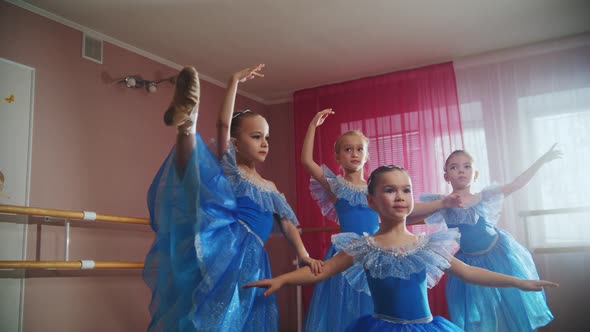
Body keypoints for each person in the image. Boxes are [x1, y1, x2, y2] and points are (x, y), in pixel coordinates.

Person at [245, 165, 558, 332]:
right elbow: (321, 271)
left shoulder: (428, 244)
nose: (400, 196)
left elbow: (471, 272)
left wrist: (520, 282)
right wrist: (283, 280)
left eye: (406, 189)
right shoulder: (363, 247)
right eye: (389, 190)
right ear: (371, 201)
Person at [143, 64, 323, 331]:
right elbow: (223, 124)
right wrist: (234, 81)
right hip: (225, 242)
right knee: (201, 174)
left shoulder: (270, 186)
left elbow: (287, 223)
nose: (265, 143)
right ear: (236, 142)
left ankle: (187, 127)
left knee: (244, 314)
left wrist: (304, 254)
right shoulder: (232, 170)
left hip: (254, 259)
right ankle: (187, 124)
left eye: (267, 138)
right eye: (256, 136)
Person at [301, 109, 464, 331]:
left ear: (367, 156)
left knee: (379, 309)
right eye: (348, 150)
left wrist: (444, 202)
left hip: (378, 253)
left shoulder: (377, 189)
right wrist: (312, 126)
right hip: (348, 252)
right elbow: (306, 162)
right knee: (344, 309)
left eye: (359, 149)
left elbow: (411, 208)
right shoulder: (336, 186)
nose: (354, 154)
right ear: (338, 157)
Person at [419, 146, 561, 331]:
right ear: (446, 176)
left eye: (467, 166)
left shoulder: (484, 196)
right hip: (469, 261)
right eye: (454, 167)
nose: (461, 170)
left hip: (497, 254)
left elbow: (516, 184)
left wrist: (541, 160)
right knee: (480, 313)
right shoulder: (442, 203)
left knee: (512, 304)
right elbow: (413, 215)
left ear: (475, 174)